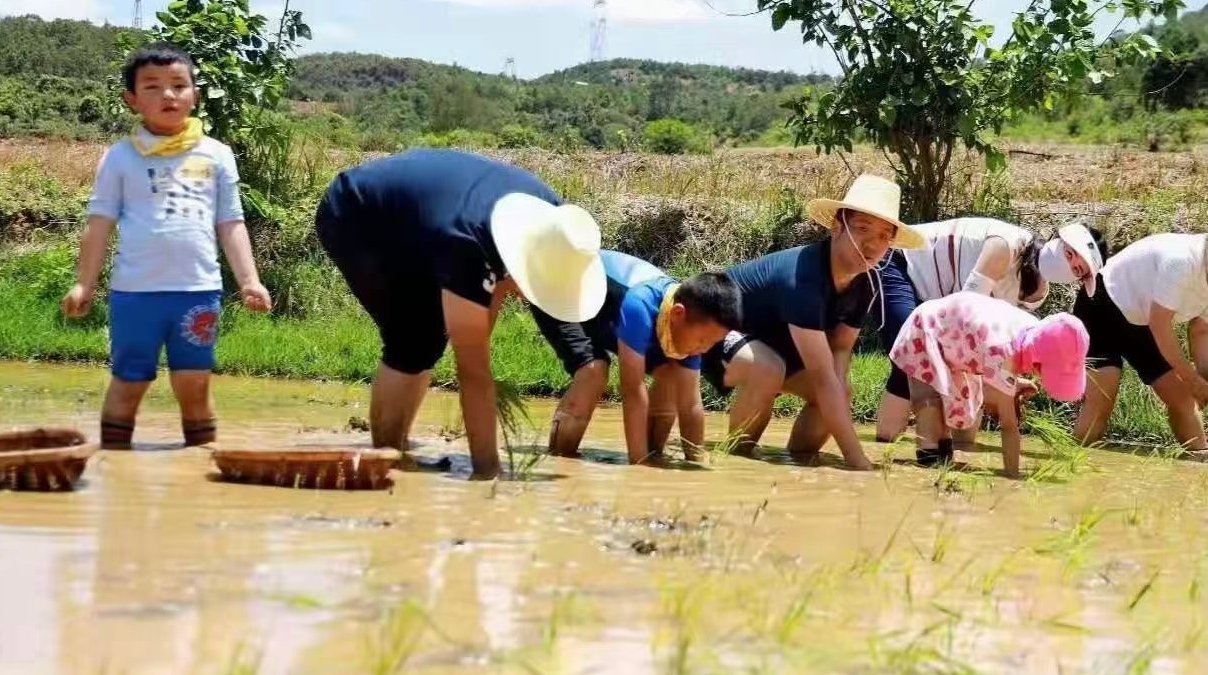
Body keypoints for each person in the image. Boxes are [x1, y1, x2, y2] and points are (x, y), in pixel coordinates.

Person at [316, 148, 605, 479]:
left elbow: (489, 300)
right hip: (357, 213)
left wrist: (474, 342)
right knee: (414, 340)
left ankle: (398, 448)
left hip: (428, 217)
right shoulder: (471, 246)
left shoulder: (553, 220)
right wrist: (487, 472)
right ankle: (387, 462)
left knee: (429, 338)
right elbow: (473, 372)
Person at [61, 43, 272, 450]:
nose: (168, 95)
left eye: (179, 85)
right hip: (134, 295)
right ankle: (114, 468)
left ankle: (200, 471)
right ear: (132, 99)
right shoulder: (120, 157)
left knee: (194, 384)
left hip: (198, 293)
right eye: (153, 87)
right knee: (129, 382)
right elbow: (99, 225)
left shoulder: (217, 155)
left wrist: (250, 281)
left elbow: (230, 222)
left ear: (195, 93)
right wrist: (84, 284)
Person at [703, 174, 924, 471]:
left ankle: (799, 462)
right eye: (862, 229)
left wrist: (837, 390)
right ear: (836, 227)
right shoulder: (803, 278)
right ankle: (738, 461)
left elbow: (841, 348)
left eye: (884, 236)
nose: (872, 243)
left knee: (840, 390)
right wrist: (857, 460)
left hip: (771, 349)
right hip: (712, 331)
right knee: (769, 369)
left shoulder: (867, 283)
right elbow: (821, 376)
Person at [875, 217, 1105, 442]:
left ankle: (938, 450)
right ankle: (884, 450)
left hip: (942, 307)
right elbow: (966, 321)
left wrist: (1007, 377)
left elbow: (989, 342)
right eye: (1069, 255)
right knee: (911, 363)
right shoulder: (1005, 246)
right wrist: (998, 382)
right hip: (902, 263)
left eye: (1077, 271)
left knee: (953, 376)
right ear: (1058, 239)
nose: (1070, 267)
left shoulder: (1037, 293)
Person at [532, 251, 743, 465]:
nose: (704, 349)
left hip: (607, 317)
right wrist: (638, 466)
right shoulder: (640, 304)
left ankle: (655, 455)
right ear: (677, 314)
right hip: (560, 289)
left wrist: (698, 462)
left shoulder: (688, 324)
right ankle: (561, 458)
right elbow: (633, 391)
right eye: (702, 340)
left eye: (712, 343)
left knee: (671, 375)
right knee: (594, 371)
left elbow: (690, 406)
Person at [890, 294, 1089, 478]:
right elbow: (1009, 426)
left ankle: (942, 463)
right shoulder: (1004, 351)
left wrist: (1013, 384)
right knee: (930, 404)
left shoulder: (1037, 332)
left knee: (949, 415)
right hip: (926, 329)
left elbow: (994, 367)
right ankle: (927, 469)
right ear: (1038, 361)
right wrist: (1013, 476)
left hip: (955, 342)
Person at [1072, 233, 1208, 453]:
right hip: (1102, 303)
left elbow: (1201, 331)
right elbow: (1160, 325)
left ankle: (1199, 463)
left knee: (1183, 398)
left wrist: (1203, 381)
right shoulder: (1182, 262)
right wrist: (1193, 380)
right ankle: (1072, 464)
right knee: (1101, 401)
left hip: (1142, 319)